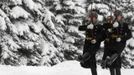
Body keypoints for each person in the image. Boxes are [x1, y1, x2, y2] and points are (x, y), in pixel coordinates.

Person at [101, 10, 132, 75]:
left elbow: (130, 35)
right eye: (115, 16)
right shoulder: (110, 24)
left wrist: (121, 38)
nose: (116, 17)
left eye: (118, 16)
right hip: (110, 45)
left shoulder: (124, 25)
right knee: (111, 66)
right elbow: (104, 33)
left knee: (117, 65)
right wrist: (108, 30)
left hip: (119, 46)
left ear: (121, 17)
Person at [78, 11, 104, 75]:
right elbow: (80, 28)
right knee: (92, 61)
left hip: (95, 44)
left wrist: (96, 39)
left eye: (93, 18)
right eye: (90, 18)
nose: (91, 19)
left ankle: (83, 57)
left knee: (90, 53)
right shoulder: (88, 25)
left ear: (96, 18)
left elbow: (103, 36)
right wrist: (87, 27)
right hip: (87, 44)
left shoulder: (99, 26)